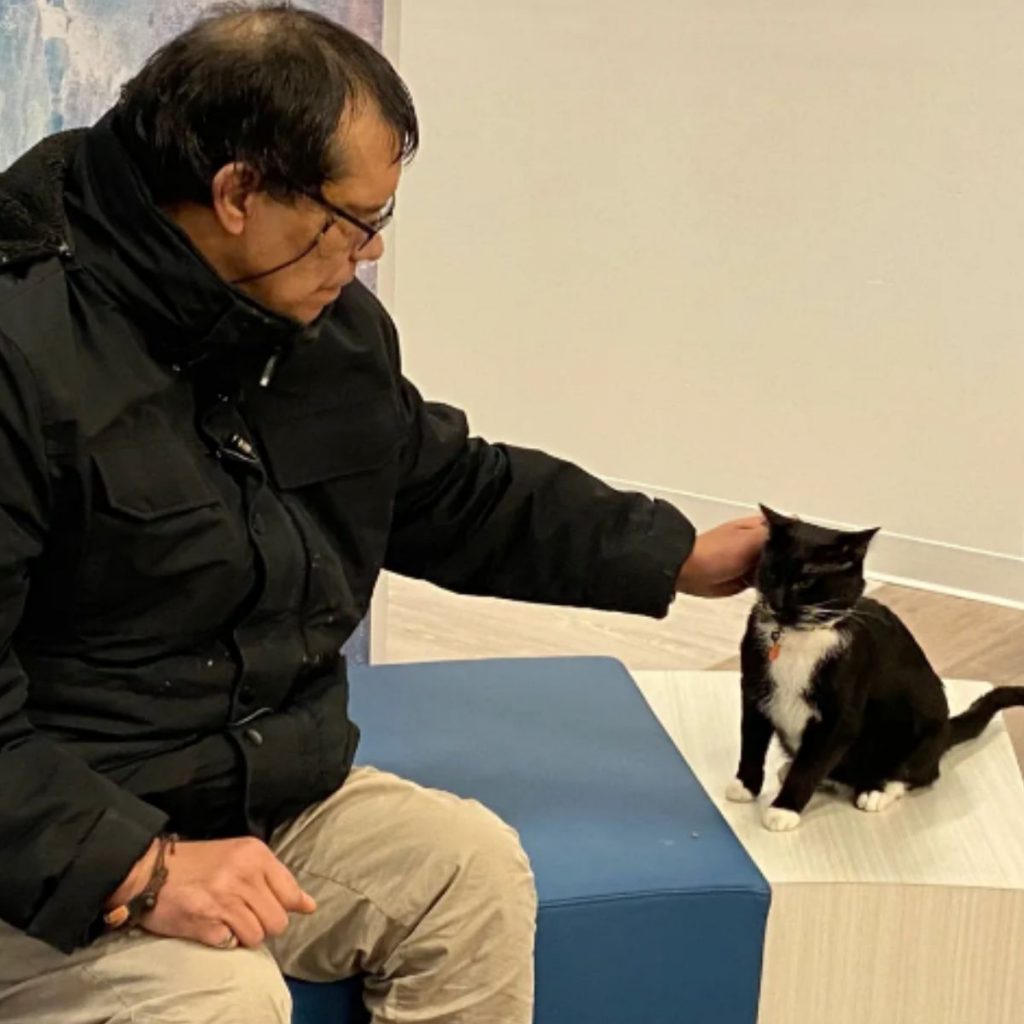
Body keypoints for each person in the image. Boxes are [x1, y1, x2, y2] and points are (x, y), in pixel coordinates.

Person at [0, 5, 767, 1023]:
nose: (366, 252)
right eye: (353, 219)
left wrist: (673, 554)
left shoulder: (316, 325)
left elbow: (443, 488)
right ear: (237, 194)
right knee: (215, 996)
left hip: (251, 793)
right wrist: (137, 868)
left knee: (467, 872)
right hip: (50, 842)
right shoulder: (22, 347)